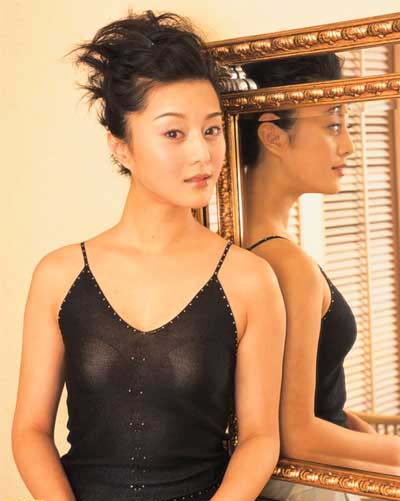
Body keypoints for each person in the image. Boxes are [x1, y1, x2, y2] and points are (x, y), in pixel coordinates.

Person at [11, 10, 286, 501]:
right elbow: (30, 431)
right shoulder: (59, 275)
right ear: (121, 148)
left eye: (212, 130)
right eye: (174, 133)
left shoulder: (250, 280)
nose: (203, 154)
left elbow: (260, 438)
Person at [240, 54, 400, 475]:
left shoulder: (247, 248)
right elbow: (297, 434)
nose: (348, 145)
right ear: (273, 136)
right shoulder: (286, 266)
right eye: (333, 125)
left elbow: (309, 401)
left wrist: (357, 429)